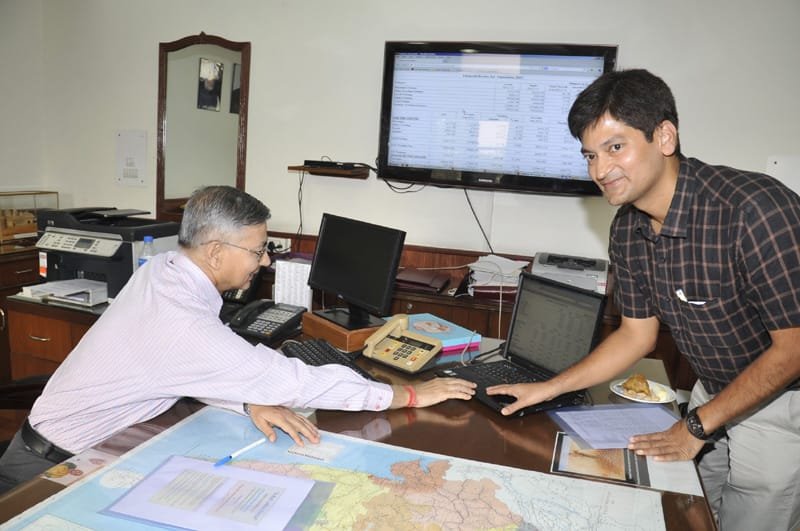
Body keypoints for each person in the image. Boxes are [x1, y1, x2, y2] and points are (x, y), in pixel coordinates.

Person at [0, 186, 476, 493]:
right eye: (258, 250)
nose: (265, 261)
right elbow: (292, 382)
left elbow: (183, 366)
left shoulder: (165, 270)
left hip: (79, 446)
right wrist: (408, 393)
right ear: (214, 252)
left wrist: (247, 403)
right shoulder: (181, 319)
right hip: (50, 471)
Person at [487, 69, 800, 530]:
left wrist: (695, 427)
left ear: (665, 137)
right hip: (713, 389)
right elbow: (636, 334)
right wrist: (550, 388)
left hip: (781, 399)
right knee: (688, 508)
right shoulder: (627, 229)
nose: (598, 171)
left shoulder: (755, 209)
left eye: (616, 147)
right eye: (590, 155)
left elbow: (793, 348)